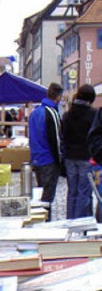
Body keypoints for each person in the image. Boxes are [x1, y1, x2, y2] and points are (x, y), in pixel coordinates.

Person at [29, 81, 64, 219]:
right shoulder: (51, 113)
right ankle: (46, 221)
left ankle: (40, 219)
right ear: (58, 97)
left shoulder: (35, 113)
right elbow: (56, 140)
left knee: (41, 194)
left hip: (37, 158)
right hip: (48, 159)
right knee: (47, 197)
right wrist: (59, 161)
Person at [62, 83, 96, 219]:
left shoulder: (67, 115)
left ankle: (70, 220)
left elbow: (63, 135)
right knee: (84, 191)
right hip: (86, 157)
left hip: (70, 156)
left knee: (72, 191)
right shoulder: (93, 115)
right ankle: (80, 223)